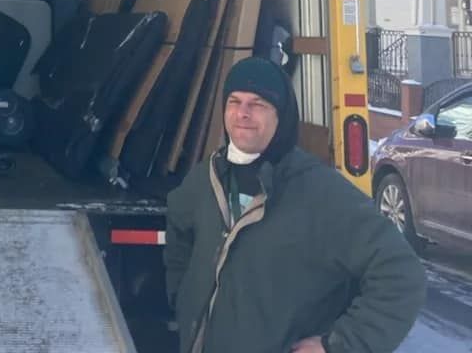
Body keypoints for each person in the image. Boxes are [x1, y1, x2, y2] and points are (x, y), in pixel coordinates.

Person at [165, 57, 425, 353]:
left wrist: (337, 345)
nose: (242, 113)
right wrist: (185, 299)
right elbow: (179, 231)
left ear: (282, 116)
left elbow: (402, 275)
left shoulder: (321, 193)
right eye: (234, 102)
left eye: (258, 104)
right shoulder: (207, 178)